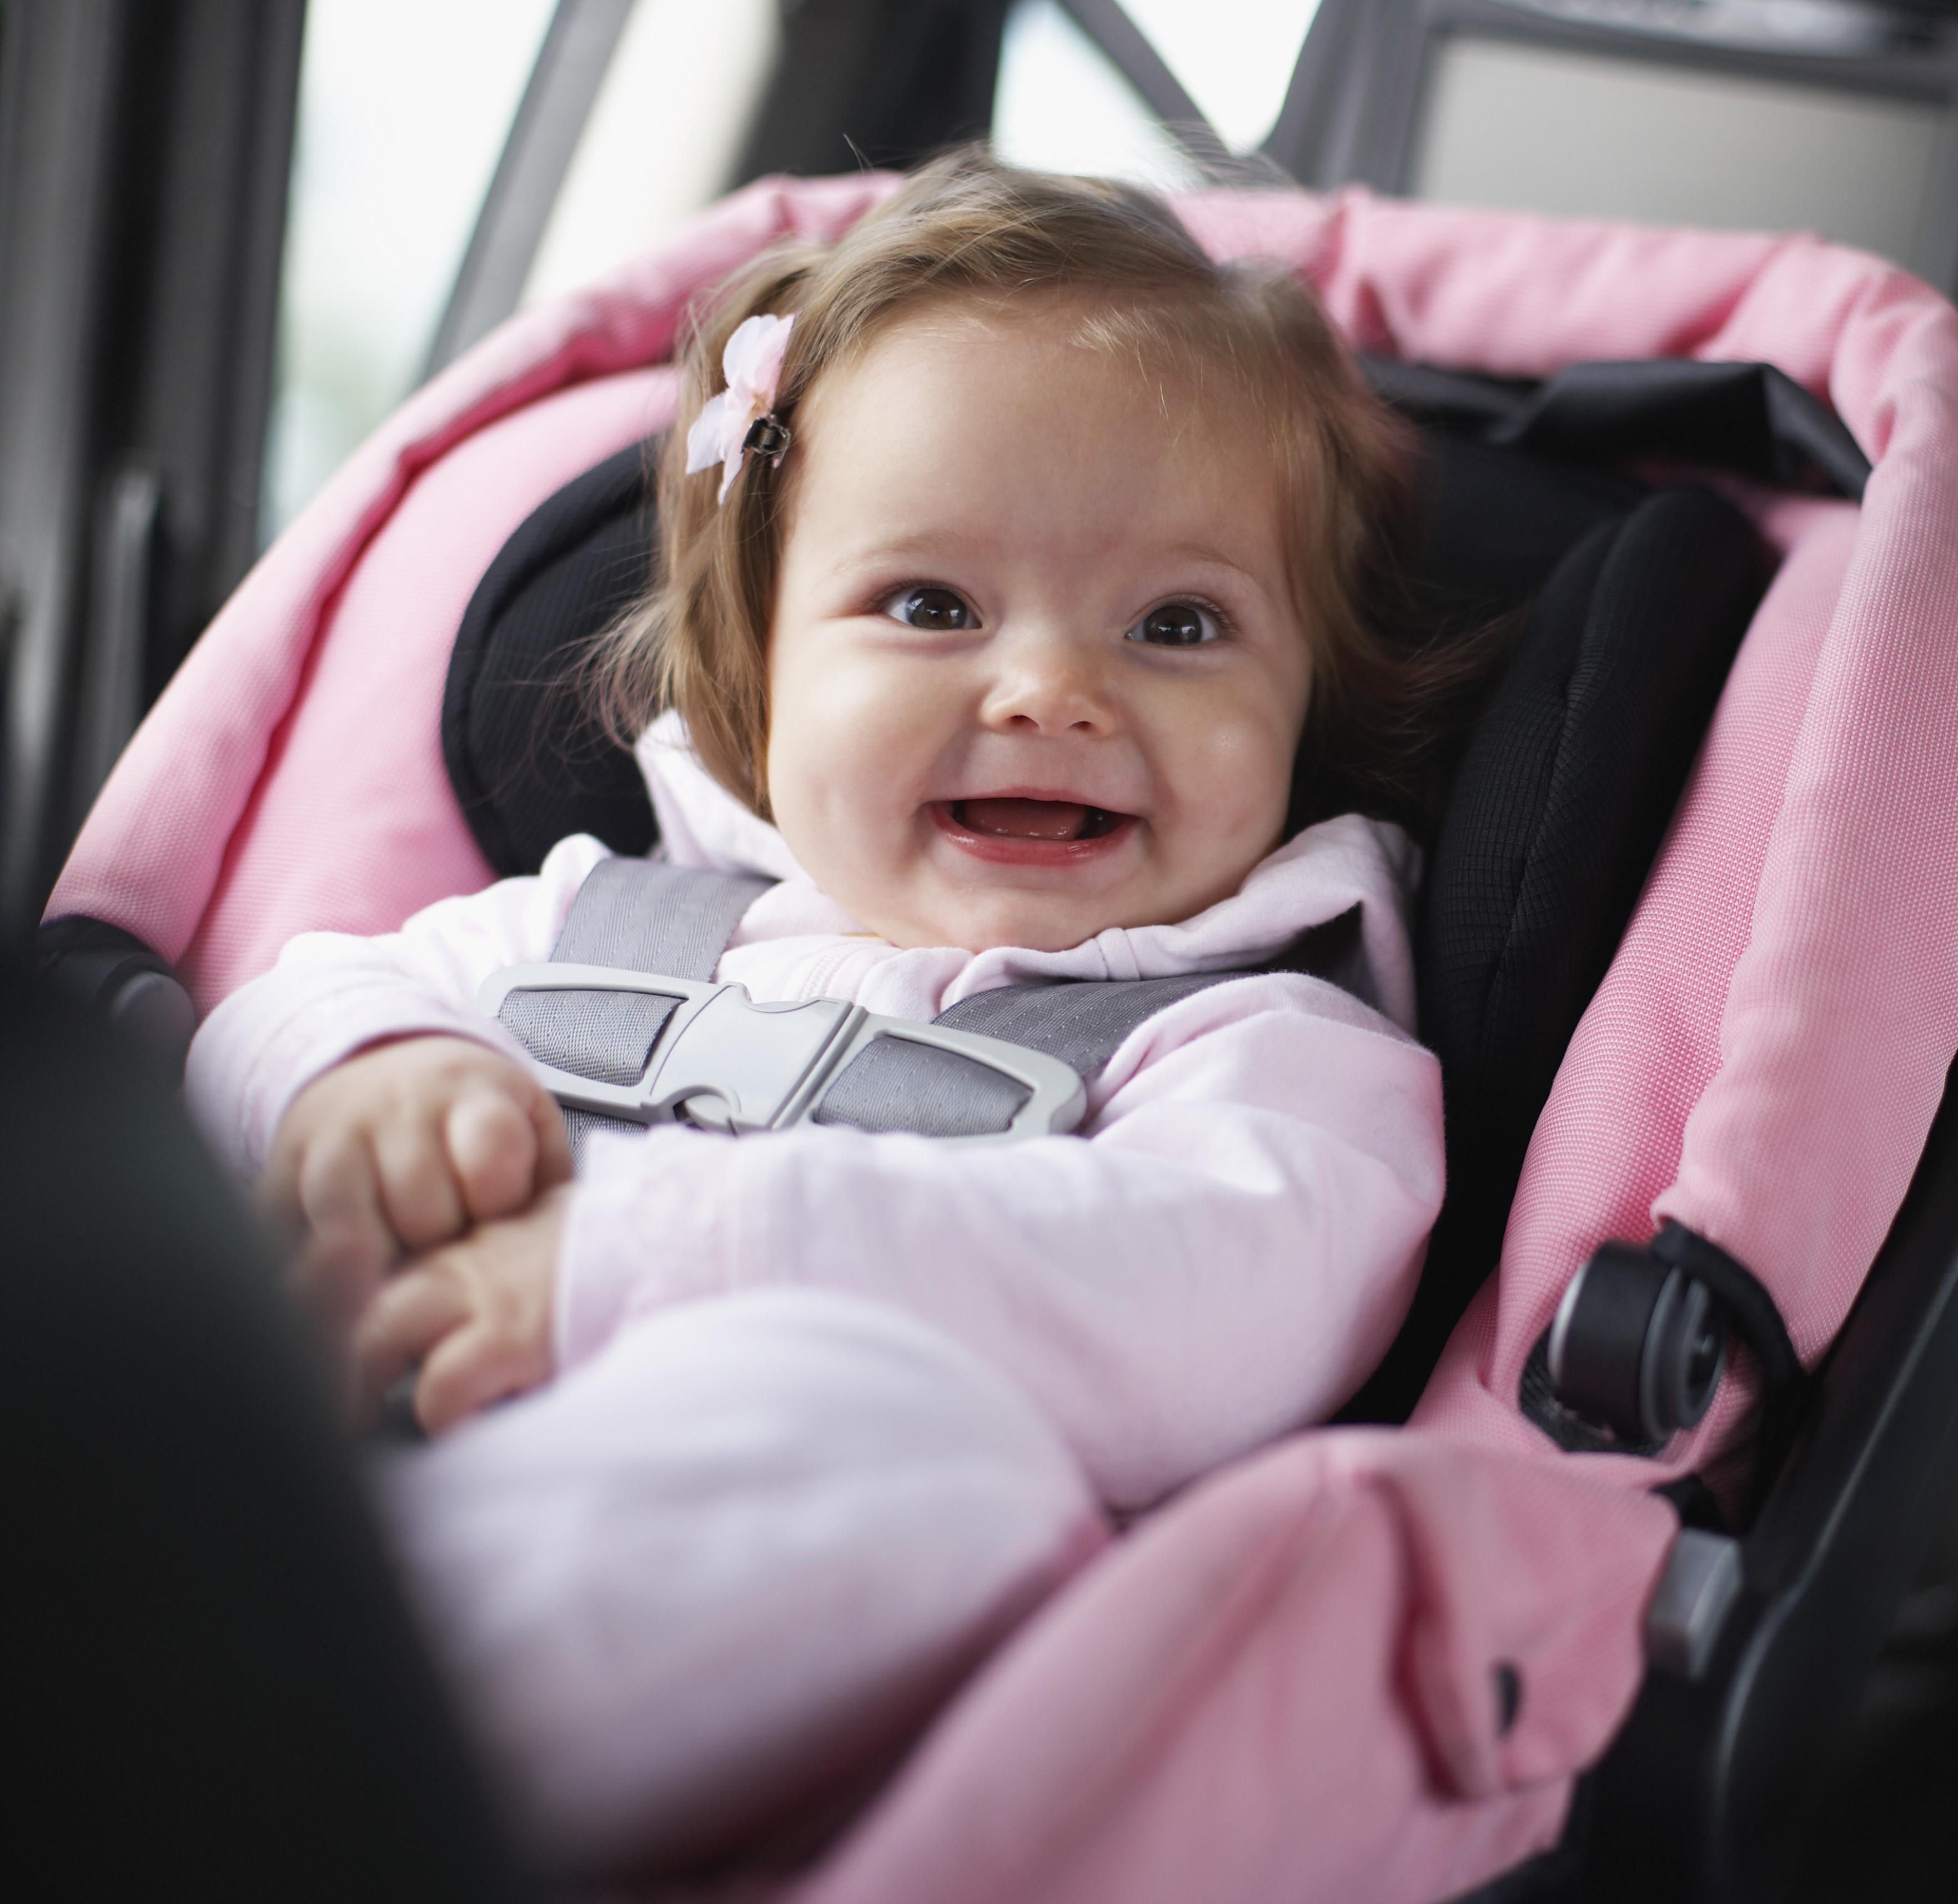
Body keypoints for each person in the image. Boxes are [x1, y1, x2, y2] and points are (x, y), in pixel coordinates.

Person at [184, 151, 1450, 1873]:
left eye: (1178, 623)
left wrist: (625, 1260)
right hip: (357, 1468)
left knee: (929, 1456)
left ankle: (301, 1779)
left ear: (1307, 701)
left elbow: (1215, 1303)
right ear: (760, 664)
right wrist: (369, 1068)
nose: (1052, 689)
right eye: (932, 606)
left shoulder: (1271, 1047)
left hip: (804, 1584)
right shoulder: (606, 916)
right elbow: (286, 994)